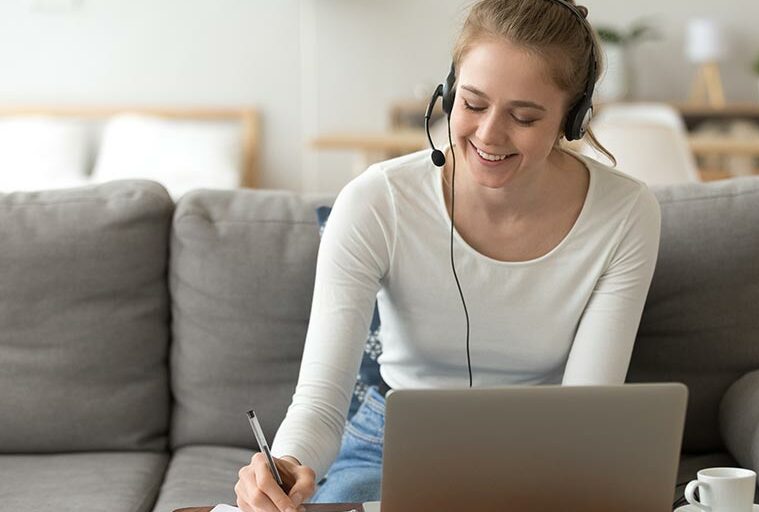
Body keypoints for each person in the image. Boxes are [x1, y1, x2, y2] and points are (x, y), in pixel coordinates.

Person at [233, 1, 661, 510]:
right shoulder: (377, 201)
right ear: (450, 92)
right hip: (388, 442)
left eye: (524, 116)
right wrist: (286, 466)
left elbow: (586, 412)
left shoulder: (625, 213)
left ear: (573, 119)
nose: (488, 135)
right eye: (474, 104)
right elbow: (322, 404)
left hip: (547, 449)